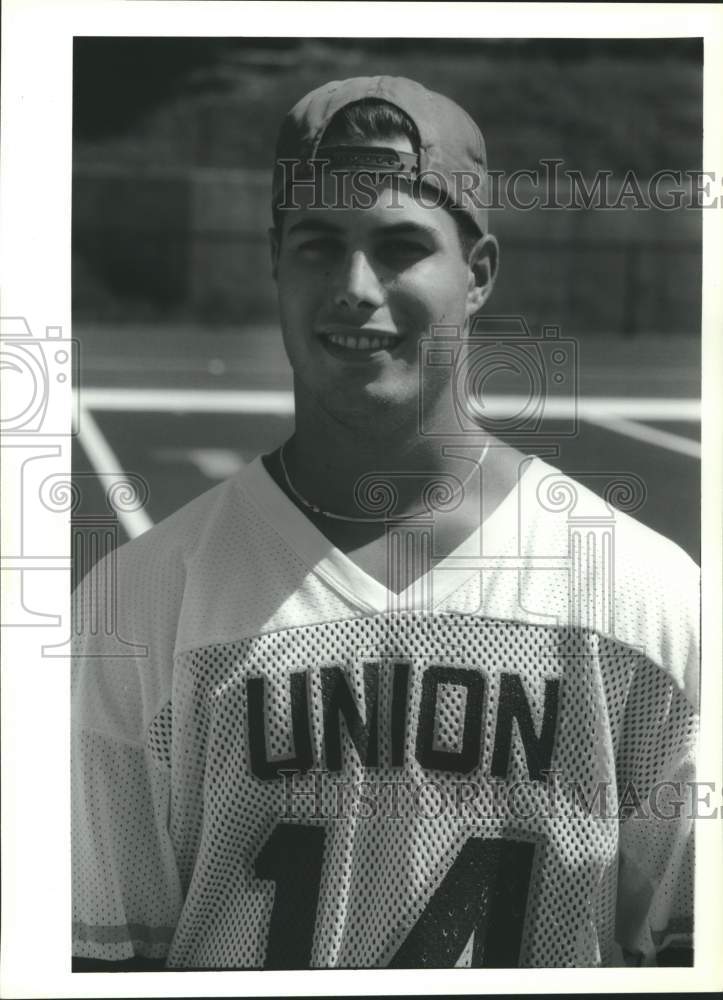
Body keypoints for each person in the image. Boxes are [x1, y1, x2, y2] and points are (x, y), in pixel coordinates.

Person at [72, 76, 698, 970]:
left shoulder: (647, 603)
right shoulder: (136, 610)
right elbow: (101, 970)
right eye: (319, 245)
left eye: (401, 247)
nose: (354, 287)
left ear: (477, 274)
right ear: (275, 262)